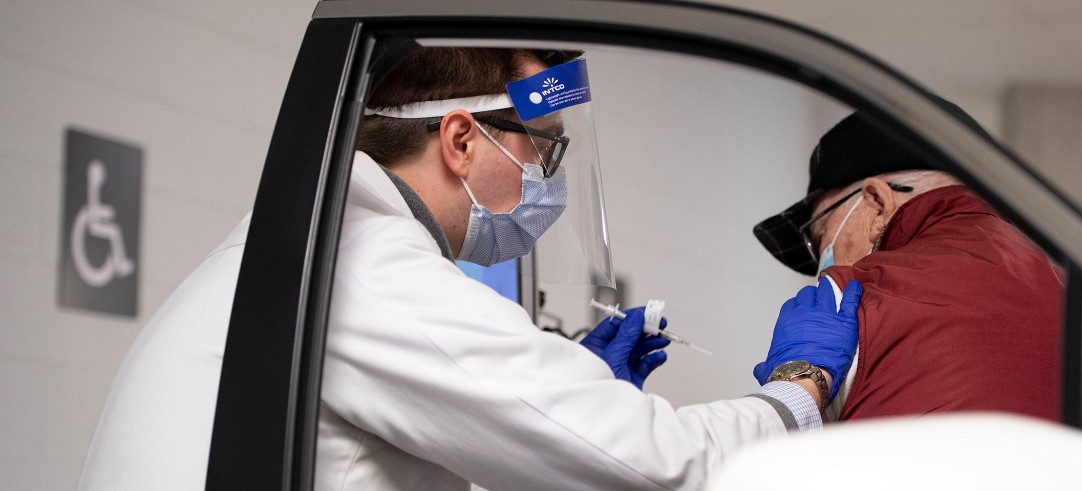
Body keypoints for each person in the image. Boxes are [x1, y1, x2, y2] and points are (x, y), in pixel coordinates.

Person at [78, 46, 863, 490]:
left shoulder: (319, 247)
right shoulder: (373, 269)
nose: (549, 177)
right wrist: (795, 394)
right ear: (460, 141)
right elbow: (653, 467)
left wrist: (570, 397)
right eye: (543, 148)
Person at [753, 98, 1082, 470]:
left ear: (877, 203)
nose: (822, 261)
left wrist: (792, 387)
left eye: (820, 235)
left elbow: (771, 466)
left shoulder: (851, 301)